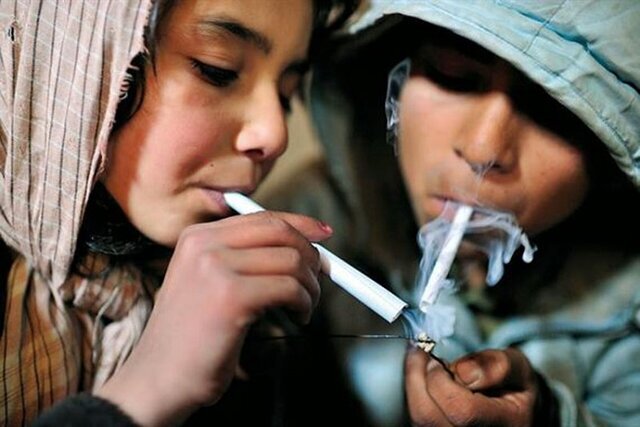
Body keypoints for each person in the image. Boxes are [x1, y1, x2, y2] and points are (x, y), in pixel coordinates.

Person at [265, 0, 640, 425]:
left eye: (555, 114)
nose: (483, 150)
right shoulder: (307, 221)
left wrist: (551, 417)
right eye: (454, 76)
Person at [0, 0, 365, 426]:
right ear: (67, 55)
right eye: (218, 69)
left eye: (285, 95)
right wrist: (147, 391)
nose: (274, 134)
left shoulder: (260, 316)